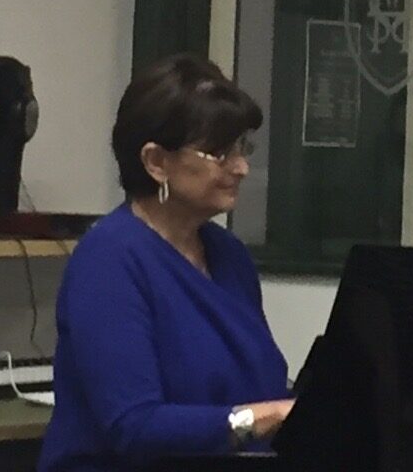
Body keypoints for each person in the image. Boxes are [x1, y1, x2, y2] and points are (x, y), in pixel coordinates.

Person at [38, 54, 294, 472]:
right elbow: (134, 426)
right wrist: (267, 417)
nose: (242, 167)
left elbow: (261, 384)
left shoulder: (228, 255)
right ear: (156, 162)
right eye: (219, 152)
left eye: (241, 148)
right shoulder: (108, 261)